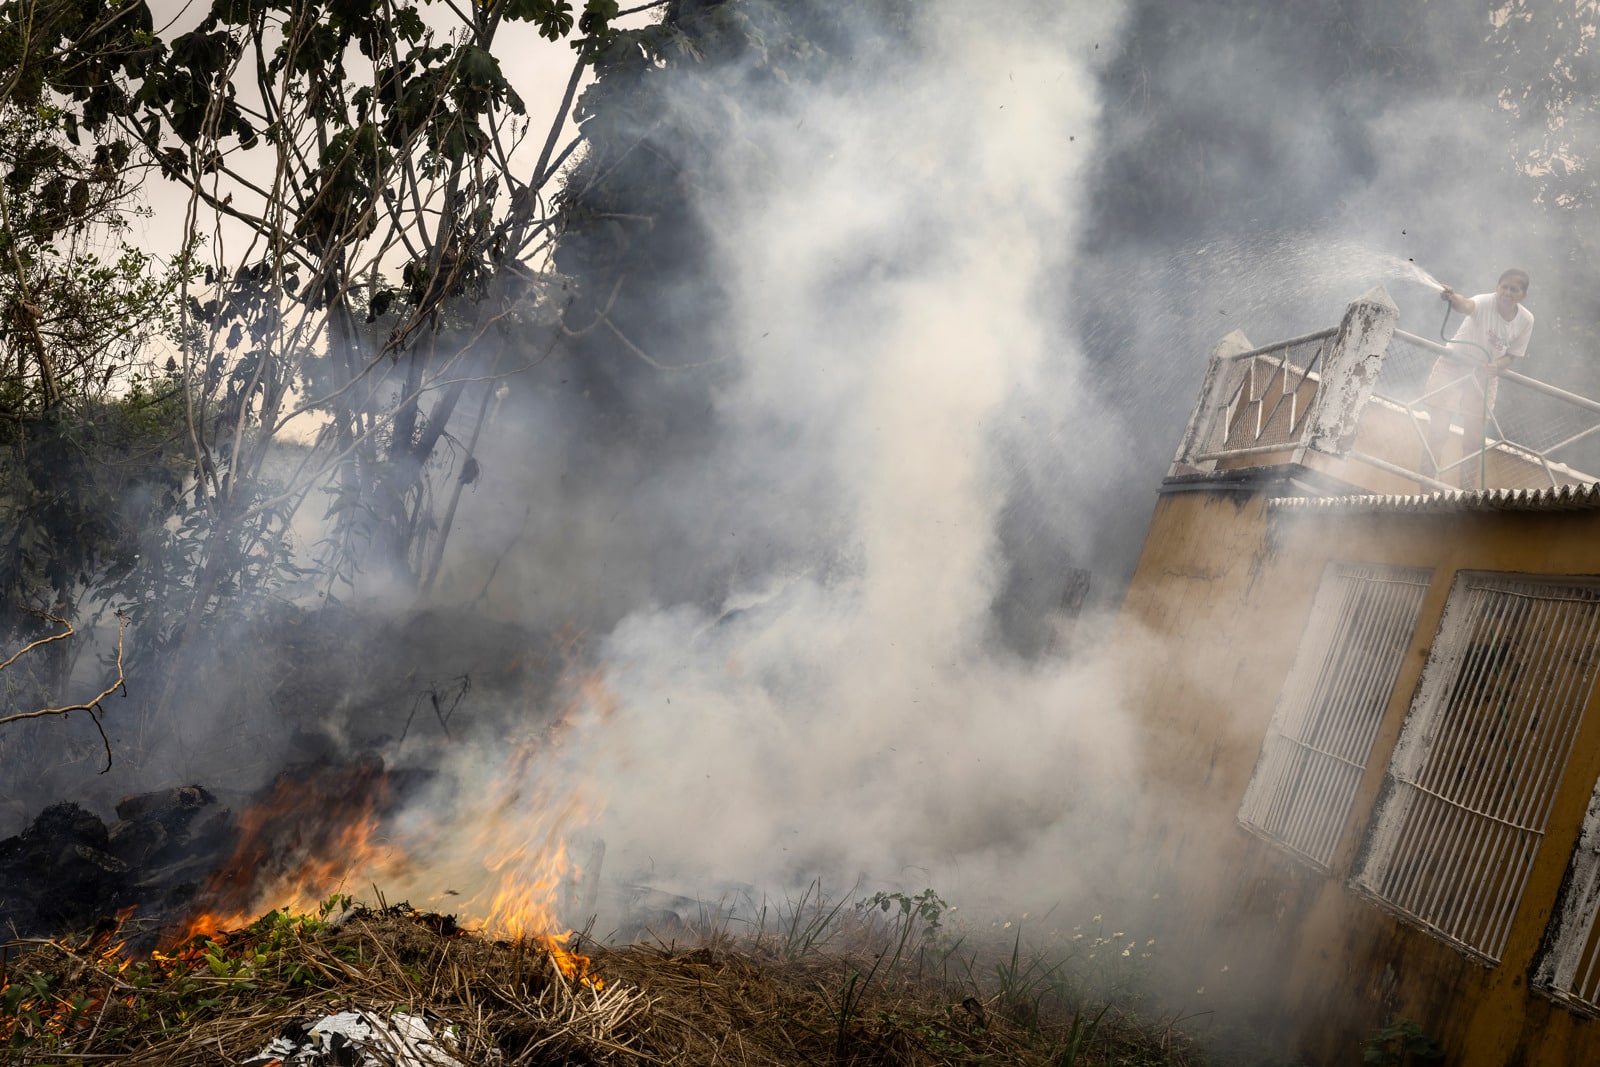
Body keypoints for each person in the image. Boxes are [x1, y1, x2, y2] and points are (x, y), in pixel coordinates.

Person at [1420, 268, 1534, 483]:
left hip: (1484, 377)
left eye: (1514, 289)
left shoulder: (1526, 320)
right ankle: (1425, 486)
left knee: (1473, 442)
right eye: (1504, 287)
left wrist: (1497, 365)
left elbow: (1512, 355)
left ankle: (1465, 495)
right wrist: (1452, 297)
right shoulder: (1484, 301)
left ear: (1523, 295)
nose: (1508, 293)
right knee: (1438, 433)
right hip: (1453, 367)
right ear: (1497, 288)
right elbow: (1465, 305)